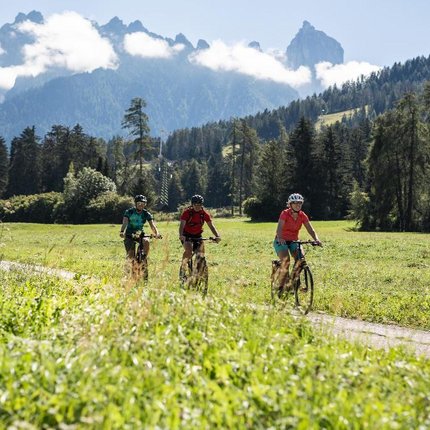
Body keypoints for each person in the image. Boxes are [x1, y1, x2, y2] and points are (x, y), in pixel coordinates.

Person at [274, 193, 322, 291]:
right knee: (286, 261)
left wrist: (316, 239)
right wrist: (280, 238)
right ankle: (281, 285)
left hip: (294, 241)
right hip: (281, 240)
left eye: (300, 203)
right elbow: (279, 229)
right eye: (295, 203)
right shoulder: (285, 213)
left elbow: (310, 229)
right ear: (290, 204)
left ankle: (294, 282)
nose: (298, 205)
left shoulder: (302, 215)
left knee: (301, 259)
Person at [179, 194, 221, 275]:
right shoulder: (187, 213)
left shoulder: (204, 214)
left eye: (199, 204)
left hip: (198, 236)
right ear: (192, 204)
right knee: (189, 251)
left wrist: (217, 236)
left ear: (202, 204)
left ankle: (199, 273)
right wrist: (181, 235)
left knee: (201, 255)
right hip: (186, 235)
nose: (197, 206)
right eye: (195, 204)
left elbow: (211, 226)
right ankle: (183, 268)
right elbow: (181, 225)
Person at [120, 194, 161, 260]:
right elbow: (125, 222)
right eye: (139, 203)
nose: (141, 205)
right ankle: (129, 266)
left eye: (143, 203)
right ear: (135, 204)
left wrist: (157, 234)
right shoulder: (129, 212)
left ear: (145, 204)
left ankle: (143, 259)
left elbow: (152, 225)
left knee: (146, 241)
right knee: (131, 257)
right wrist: (122, 231)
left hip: (139, 233)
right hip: (129, 234)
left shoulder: (146, 214)